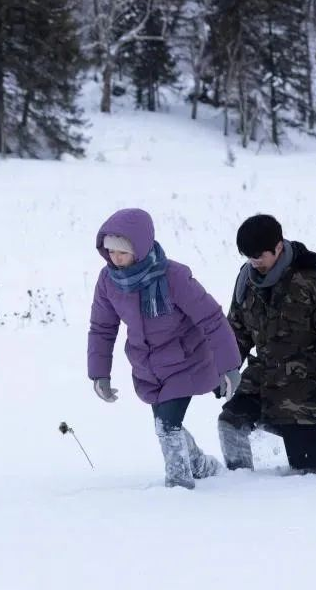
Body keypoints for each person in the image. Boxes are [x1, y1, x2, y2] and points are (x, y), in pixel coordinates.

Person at [87, 208, 242, 489]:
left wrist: (229, 367)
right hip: (148, 366)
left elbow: (212, 319)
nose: (115, 258)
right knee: (166, 425)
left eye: (122, 252)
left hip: (188, 361)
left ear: (141, 247)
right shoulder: (109, 281)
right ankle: (201, 464)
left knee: (167, 426)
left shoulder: (174, 277)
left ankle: (179, 484)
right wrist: (100, 374)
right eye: (110, 251)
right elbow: (102, 329)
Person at [218, 214, 316, 475]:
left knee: (309, 473)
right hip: (264, 380)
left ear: (279, 246)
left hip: (308, 392)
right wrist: (223, 370)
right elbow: (235, 331)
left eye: (259, 256)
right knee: (230, 424)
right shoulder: (246, 281)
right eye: (248, 257)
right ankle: (239, 486)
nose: (254, 263)